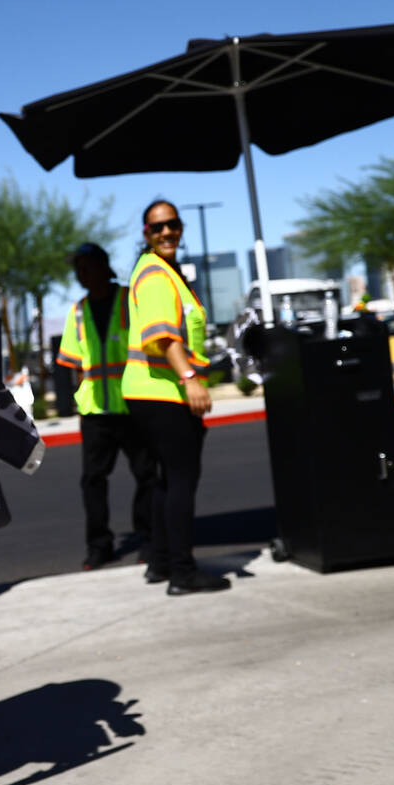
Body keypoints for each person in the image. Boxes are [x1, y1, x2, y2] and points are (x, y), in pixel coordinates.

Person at [122, 201, 230, 596]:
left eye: (173, 225)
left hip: (153, 391)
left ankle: (161, 563)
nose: (167, 232)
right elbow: (162, 336)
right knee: (182, 480)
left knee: (166, 480)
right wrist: (190, 379)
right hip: (162, 391)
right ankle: (183, 573)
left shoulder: (166, 272)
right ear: (146, 234)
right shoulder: (154, 273)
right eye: (157, 228)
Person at [56, 242, 156, 569]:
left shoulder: (130, 299)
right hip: (95, 411)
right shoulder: (78, 311)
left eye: (87, 266)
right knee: (93, 481)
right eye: (78, 269)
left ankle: (151, 539)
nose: (82, 274)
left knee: (146, 475)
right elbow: (70, 360)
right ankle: (99, 545)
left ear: (104, 266)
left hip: (133, 406)